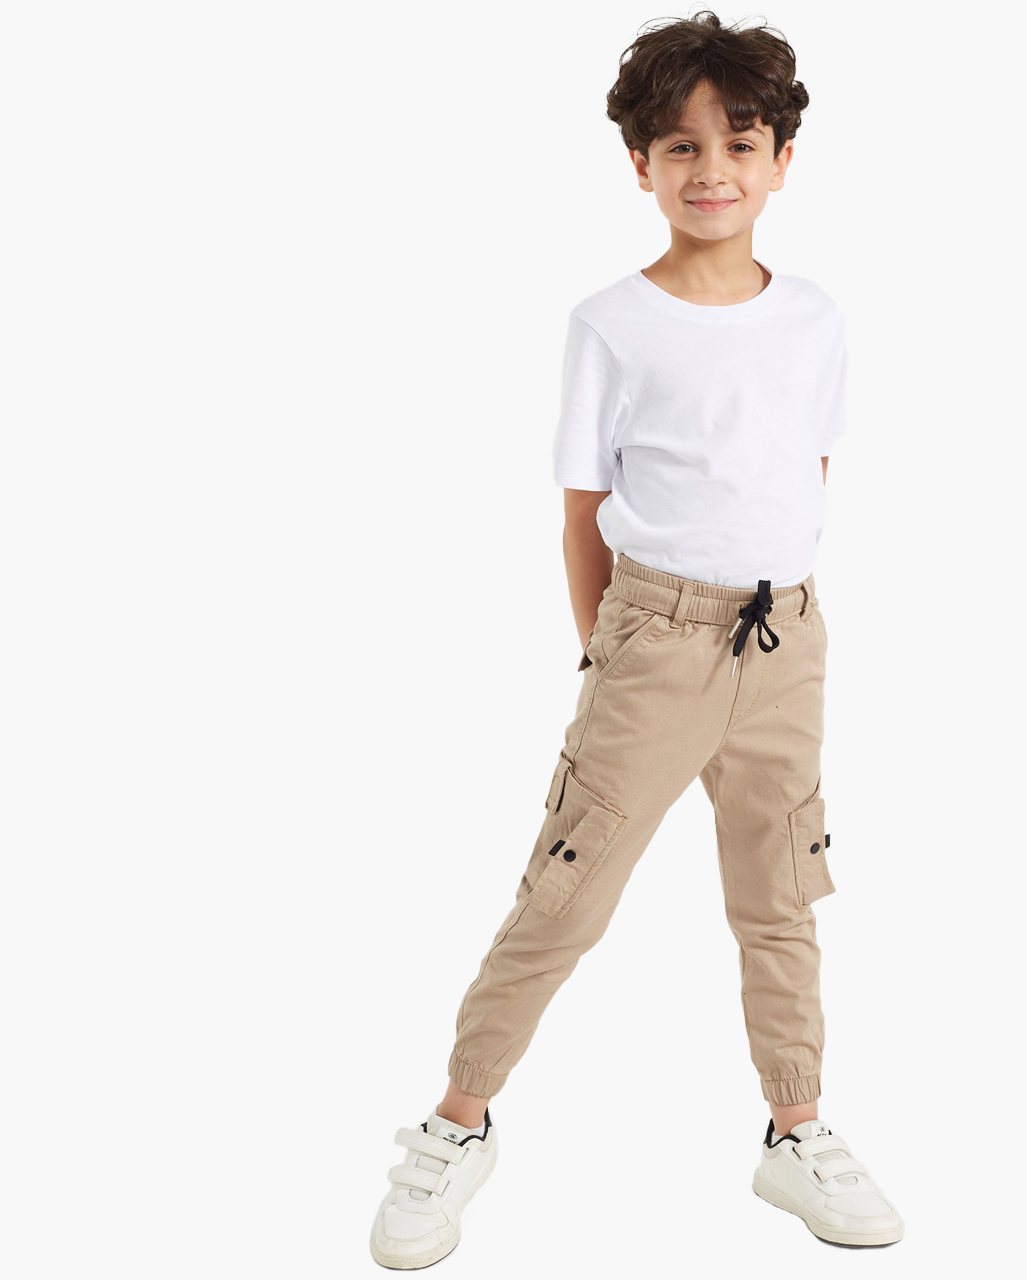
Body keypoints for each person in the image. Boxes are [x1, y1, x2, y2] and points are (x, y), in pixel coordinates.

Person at [369, 11, 904, 1269]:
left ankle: (794, 1127)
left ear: (781, 161)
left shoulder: (814, 317)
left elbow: (805, 468)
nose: (711, 169)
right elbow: (581, 509)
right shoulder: (612, 321)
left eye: (739, 142)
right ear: (640, 165)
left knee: (780, 892)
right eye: (681, 146)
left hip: (787, 636)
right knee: (565, 888)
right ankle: (456, 1119)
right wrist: (611, 655)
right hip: (654, 638)